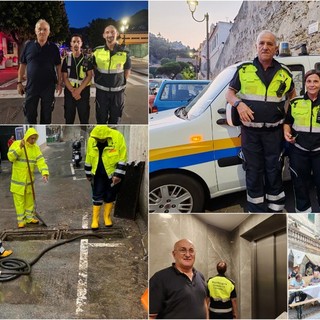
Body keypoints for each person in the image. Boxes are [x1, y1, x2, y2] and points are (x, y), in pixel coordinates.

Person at [225, 30, 296, 212]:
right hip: (250, 133)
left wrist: (286, 120)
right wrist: (239, 105)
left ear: (275, 48)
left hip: (274, 133)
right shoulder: (244, 69)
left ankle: (276, 207)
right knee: (253, 171)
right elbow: (229, 93)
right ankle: (255, 209)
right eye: (261, 43)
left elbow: (292, 97)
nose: (265, 47)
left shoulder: (285, 73)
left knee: (274, 170)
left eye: (270, 44)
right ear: (256, 47)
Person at [284, 69, 320, 212]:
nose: (312, 84)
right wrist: (287, 133)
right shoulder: (295, 103)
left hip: (319, 152)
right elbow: (287, 123)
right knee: (300, 185)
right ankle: (303, 214)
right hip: (299, 151)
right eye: (309, 81)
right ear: (305, 83)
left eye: (316, 81)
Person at [149, 239, 209, 319]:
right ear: (174, 254)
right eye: (182, 250)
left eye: (191, 251)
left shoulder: (200, 276)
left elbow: (203, 303)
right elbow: (151, 316)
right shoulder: (160, 278)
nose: (188, 254)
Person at [17, 19, 62, 124]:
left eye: (45, 29)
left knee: (46, 118)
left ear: (49, 32)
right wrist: (19, 83)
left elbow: (58, 67)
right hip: (31, 87)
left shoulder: (54, 48)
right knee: (29, 116)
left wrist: (59, 83)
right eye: (39, 29)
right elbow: (22, 65)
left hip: (48, 87)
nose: (42, 31)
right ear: (35, 31)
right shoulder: (28, 46)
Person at [84, 125, 127, 229]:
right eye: (97, 139)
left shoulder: (117, 137)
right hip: (97, 173)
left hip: (112, 174)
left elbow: (123, 157)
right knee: (97, 195)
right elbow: (89, 157)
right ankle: (95, 220)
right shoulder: (92, 139)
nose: (99, 140)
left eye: (101, 139)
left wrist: (118, 174)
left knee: (110, 195)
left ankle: (107, 217)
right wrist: (88, 173)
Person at [7, 128, 49, 228]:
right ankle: (21, 220)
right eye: (31, 138)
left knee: (29, 201)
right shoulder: (17, 144)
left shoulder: (36, 148)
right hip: (18, 183)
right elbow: (10, 157)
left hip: (29, 182)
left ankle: (29, 218)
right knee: (19, 202)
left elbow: (41, 161)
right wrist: (20, 148)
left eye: (35, 139)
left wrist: (44, 172)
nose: (33, 141)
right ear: (27, 137)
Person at [92, 25, 131, 124]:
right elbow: (93, 67)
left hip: (118, 94)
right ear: (104, 35)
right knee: (101, 121)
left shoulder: (124, 52)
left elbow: (127, 70)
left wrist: (120, 84)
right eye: (107, 32)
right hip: (101, 93)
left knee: (115, 122)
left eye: (112, 32)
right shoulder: (97, 51)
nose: (110, 34)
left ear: (117, 34)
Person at [62, 34, 93, 124]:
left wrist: (78, 90)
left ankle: (84, 137)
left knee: (84, 120)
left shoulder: (87, 59)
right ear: (71, 43)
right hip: (69, 93)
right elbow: (65, 77)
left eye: (78, 42)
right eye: (74, 42)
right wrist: (73, 91)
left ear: (81, 44)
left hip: (83, 92)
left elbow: (89, 76)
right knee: (69, 120)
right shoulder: (67, 59)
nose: (76, 44)